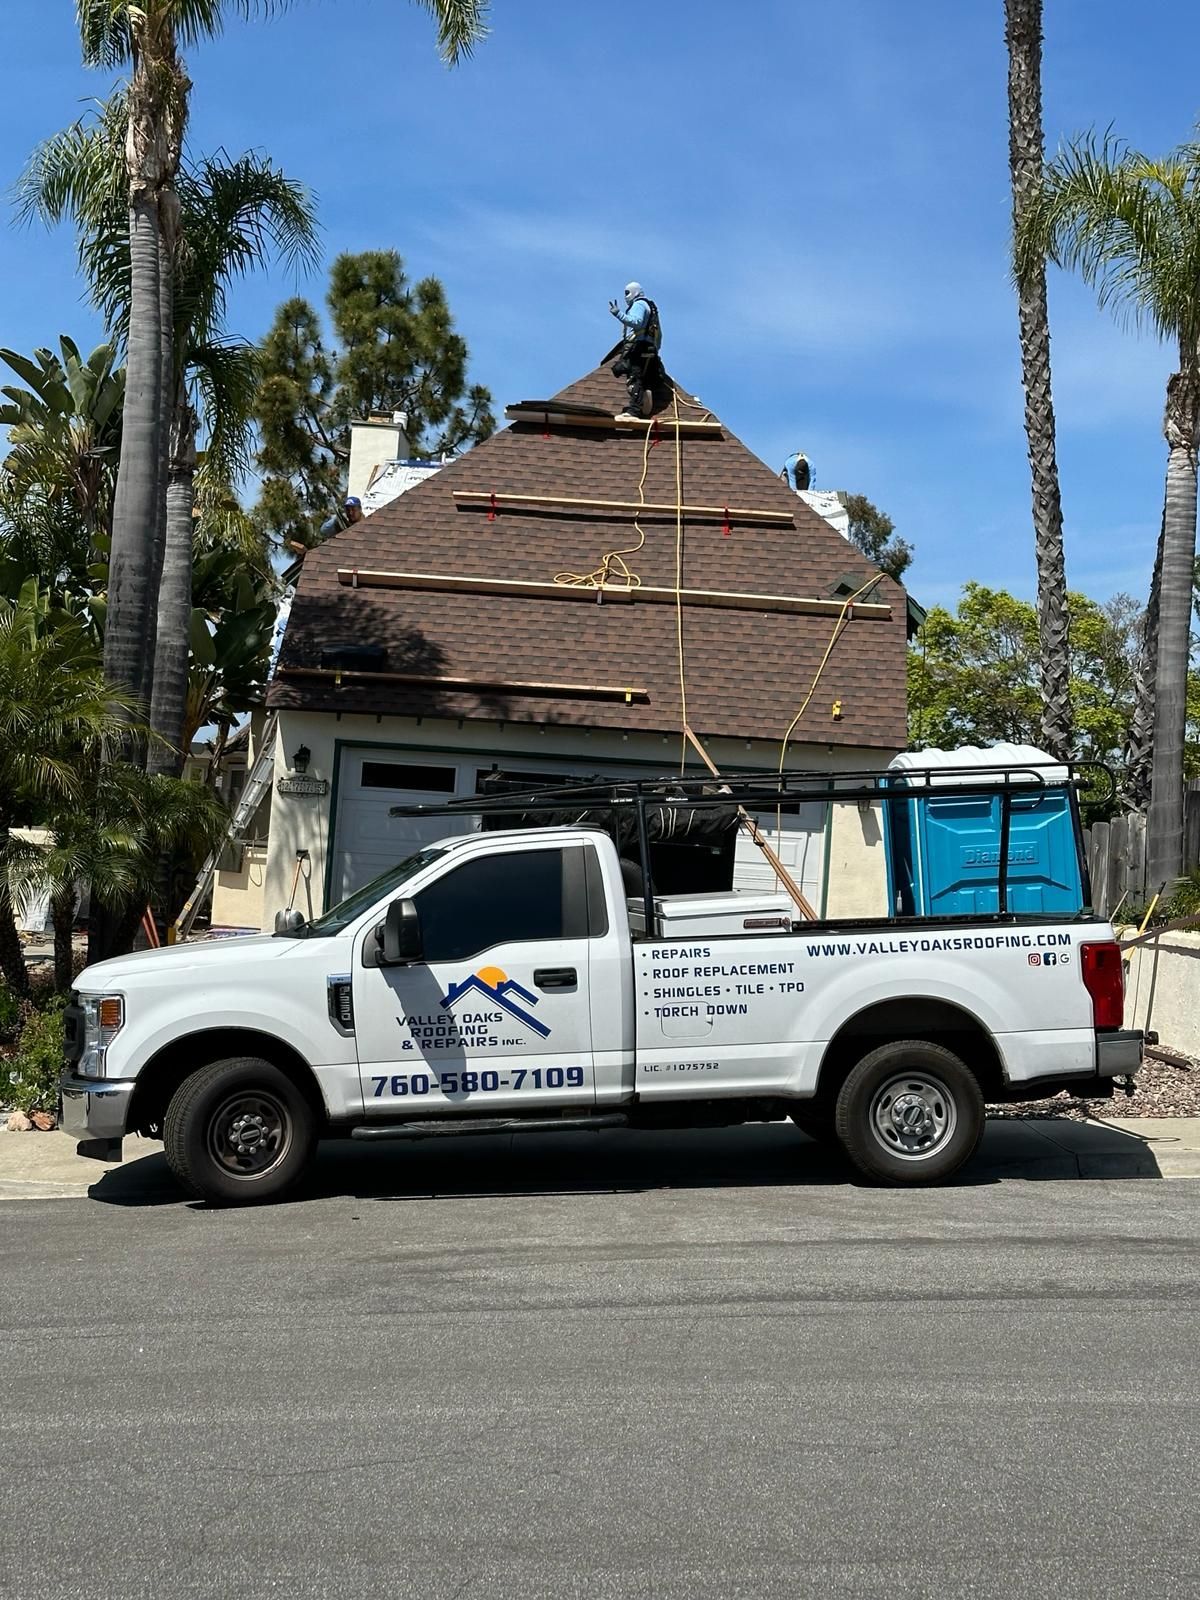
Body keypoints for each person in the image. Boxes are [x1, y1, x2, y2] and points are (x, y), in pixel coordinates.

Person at [609, 282, 664, 418]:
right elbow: (659, 334)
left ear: (635, 292)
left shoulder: (639, 304)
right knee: (646, 377)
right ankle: (646, 395)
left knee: (633, 377)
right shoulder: (651, 306)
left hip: (640, 346)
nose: (625, 297)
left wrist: (618, 314)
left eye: (627, 293)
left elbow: (636, 322)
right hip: (650, 348)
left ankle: (634, 411)